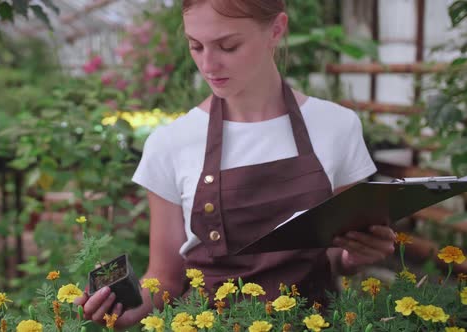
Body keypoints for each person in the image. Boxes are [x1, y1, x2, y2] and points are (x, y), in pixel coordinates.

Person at [75, 0, 397, 328]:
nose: (208, 64)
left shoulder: (337, 127)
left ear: (276, 29)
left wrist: (353, 255)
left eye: (228, 46)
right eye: (195, 46)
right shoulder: (171, 143)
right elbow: (165, 280)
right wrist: (124, 308)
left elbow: (335, 253)